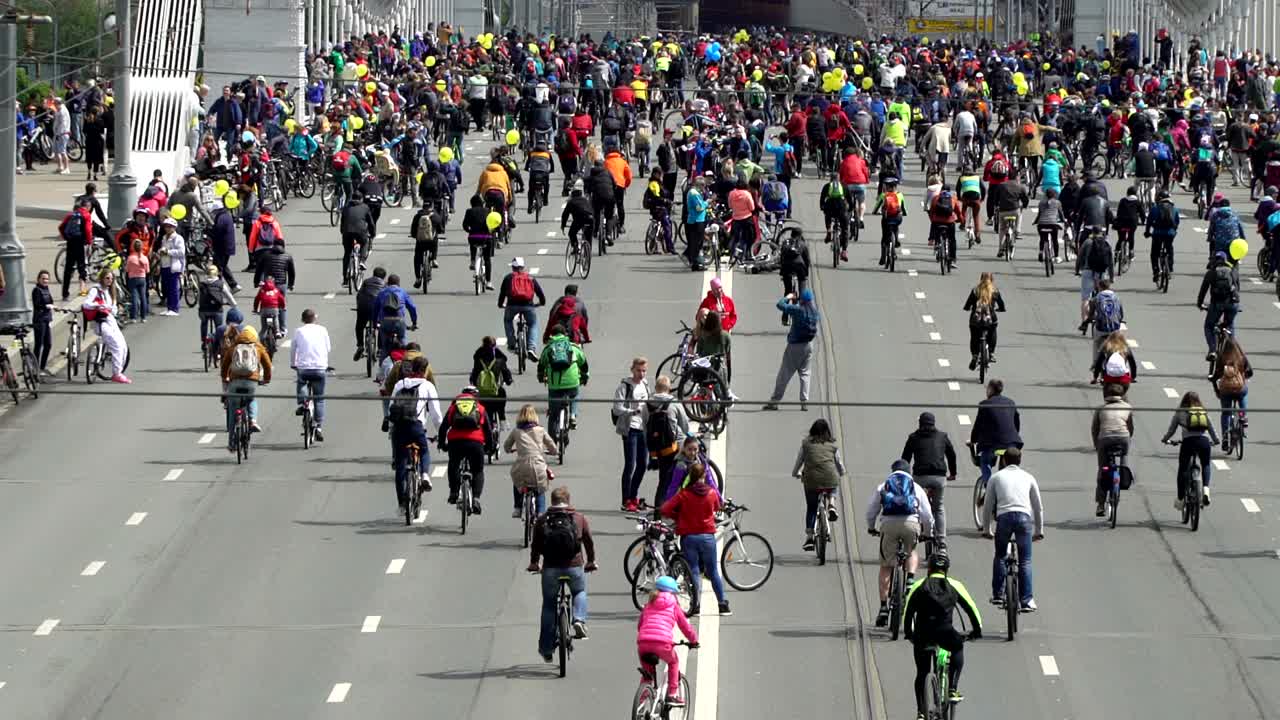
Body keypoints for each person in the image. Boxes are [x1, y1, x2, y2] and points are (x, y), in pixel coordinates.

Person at [904, 549, 982, 719]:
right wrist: (977, 631)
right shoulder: (955, 585)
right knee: (957, 646)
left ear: (929, 569)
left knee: (922, 672)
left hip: (922, 634)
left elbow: (907, 611)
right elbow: (971, 609)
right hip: (945, 633)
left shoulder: (919, 585)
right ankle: (952, 688)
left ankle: (920, 713)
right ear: (947, 569)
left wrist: (909, 634)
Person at [528, 485, 598, 661]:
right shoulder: (579, 518)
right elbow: (588, 541)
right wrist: (590, 561)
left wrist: (534, 563)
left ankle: (546, 648)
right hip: (574, 567)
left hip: (551, 568)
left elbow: (535, 545)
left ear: (552, 501)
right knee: (579, 591)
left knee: (549, 604)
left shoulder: (542, 520)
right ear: (568, 501)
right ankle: (579, 620)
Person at [866, 459, 934, 626]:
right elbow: (927, 515)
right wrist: (927, 533)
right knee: (911, 551)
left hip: (888, 525)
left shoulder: (883, 486)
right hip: (911, 524)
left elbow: (871, 511)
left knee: (886, 565)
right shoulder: (916, 487)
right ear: (909, 472)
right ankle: (910, 579)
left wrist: (871, 527)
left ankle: (883, 607)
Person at [660, 462, 731, 617]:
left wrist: (678, 517)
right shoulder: (712, 493)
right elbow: (717, 507)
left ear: (690, 476)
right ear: (704, 476)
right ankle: (722, 604)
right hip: (707, 537)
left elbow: (665, 509)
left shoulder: (684, 495)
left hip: (689, 537)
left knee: (693, 571)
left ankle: (696, 605)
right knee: (713, 571)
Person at [979, 447, 1044, 611]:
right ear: (1020, 461)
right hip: (1024, 520)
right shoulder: (1029, 477)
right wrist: (1039, 531)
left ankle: (998, 595)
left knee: (1000, 555)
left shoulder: (996, 477)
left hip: (1004, 519)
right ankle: (1027, 600)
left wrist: (986, 529)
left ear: (1004, 460)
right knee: (1025, 560)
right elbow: (1038, 508)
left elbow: (987, 507)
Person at [387, 354, 442, 514]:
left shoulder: (400, 384)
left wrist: (392, 428)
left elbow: (391, 407)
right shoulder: (427, 386)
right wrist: (441, 433)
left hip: (399, 427)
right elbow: (436, 415)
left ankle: (402, 505)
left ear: (412, 370)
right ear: (424, 371)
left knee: (400, 466)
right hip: (416, 427)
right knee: (424, 450)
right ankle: (424, 475)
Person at [636, 575, 699, 707]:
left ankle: (640, 704)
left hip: (643, 643)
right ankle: (672, 694)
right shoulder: (673, 605)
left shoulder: (648, 605)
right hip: (662, 643)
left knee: (647, 675)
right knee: (673, 662)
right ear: (672, 592)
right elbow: (685, 627)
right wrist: (694, 640)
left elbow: (640, 625)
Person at [900, 412, 958, 540]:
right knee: (938, 507)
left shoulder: (913, 437)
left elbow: (905, 460)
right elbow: (952, 455)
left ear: (920, 423)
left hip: (920, 477)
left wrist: (904, 476)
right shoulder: (942, 436)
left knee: (917, 505)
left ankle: (916, 534)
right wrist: (953, 473)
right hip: (939, 477)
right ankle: (942, 542)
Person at [438, 385, 494, 512]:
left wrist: (442, 444)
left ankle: (453, 492)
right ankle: (475, 499)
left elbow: (443, 427)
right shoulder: (480, 408)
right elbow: (488, 431)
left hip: (455, 442)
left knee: (453, 465)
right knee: (478, 470)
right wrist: (489, 448)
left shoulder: (454, 406)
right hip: (476, 443)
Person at [792, 418, 846, 551]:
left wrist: (795, 473)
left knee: (811, 508)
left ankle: (810, 538)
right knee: (833, 483)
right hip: (829, 478)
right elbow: (838, 463)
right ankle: (831, 504)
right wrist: (842, 472)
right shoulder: (832, 445)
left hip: (811, 480)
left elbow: (800, 460)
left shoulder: (806, 444)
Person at [763, 288, 819, 411]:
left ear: (802, 300)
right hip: (809, 345)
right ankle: (804, 402)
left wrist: (788, 297)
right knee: (805, 374)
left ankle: (775, 401)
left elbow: (780, 305)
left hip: (795, 347)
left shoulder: (798, 310)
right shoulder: (814, 312)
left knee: (785, 374)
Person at [1160, 392, 1219, 510]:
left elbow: (1172, 430)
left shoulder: (1180, 412)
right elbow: (1211, 427)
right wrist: (1216, 440)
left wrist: (1166, 439)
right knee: (1206, 464)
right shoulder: (1202, 411)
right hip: (1204, 442)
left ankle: (1181, 498)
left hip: (1188, 443)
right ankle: (1206, 489)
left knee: (1182, 469)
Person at [220, 323, 271, 447]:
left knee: (233, 410)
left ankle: (232, 442)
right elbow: (267, 365)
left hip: (235, 381)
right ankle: (252, 421)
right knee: (251, 399)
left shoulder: (233, 347)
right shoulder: (258, 347)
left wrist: (225, 378)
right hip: (251, 381)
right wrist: (266, 379)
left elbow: (224, 365)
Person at [645, 375, 690, 512]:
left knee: (663, 481)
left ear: (656, 388)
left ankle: (658, 513)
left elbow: (644, 426)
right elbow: (685, 424)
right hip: (674, 447)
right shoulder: (674, 403)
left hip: (657, 448)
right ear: (669, 389)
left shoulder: (647, 404)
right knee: (681, 477)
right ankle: (679, 509)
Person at [505, 404, 559, 518]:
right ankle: (540, 512)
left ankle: (518, 508)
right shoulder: (540, 430)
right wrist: (554, 452)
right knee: (540, 488)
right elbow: (553, 447)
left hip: (521, 466)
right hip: (538, 465)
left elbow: (506, 446)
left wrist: (510, 449)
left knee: (517, 483)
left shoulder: (516, 431)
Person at [538, 323, 589, 440]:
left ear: (552, 335)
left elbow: (541, 365)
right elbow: (584, 364)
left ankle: (553, 443)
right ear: (565, 334)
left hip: (555, 385)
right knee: (575, 394)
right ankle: (572, 415)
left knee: (553, 415)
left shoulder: (548, 348)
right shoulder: (573, 347)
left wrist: (541, 377)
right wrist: (585, 376)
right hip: (572, 382)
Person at [614, 357, 651, 512]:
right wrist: (632, 411)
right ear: (632, 369)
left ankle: (633, 496)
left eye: (644, 371)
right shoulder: (625, 387)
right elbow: (617, 408)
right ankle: (626, 500)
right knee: (630, 465)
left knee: (643, 465)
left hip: (644, 428)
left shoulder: (646, 385)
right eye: (638, 370)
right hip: (630, 429)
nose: (641, 374)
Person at [1091, 383, 1134, 516]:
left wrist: (1096, 445)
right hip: (1123, 438)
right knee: (1124, 457)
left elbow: (1094, 429)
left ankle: (1100, 504)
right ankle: (1124, 474)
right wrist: (1127, 439)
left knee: (1103, 469)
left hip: (1105, 439)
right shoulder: (1128, 407)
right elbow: (1130, 427)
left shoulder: (1100, 408)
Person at [969, 379, 1022, 487]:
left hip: (992, 445)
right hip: (1011, 443)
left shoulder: (984, 404)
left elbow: (978, 426)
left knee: (985, 461)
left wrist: (973, 441)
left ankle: (989, 487)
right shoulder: (1011, 402)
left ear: (990, 389)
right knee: (1007, 468)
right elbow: (1016, 423)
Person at [82, 268, 130, 383]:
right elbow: (86, 304)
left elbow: (113, 310)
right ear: (102, 278)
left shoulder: (110, 291)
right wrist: (97, 305)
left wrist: (114, 309)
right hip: (101, 321)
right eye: (107, 278)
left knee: (123, 346)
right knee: (116, 346)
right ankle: (116, 373)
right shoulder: (95, 290)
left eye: (111, 278)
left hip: (110, 320)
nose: (109, 280)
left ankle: (119, 371)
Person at [291, 308, 331, 442]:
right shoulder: (323, 330)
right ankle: (318, 426)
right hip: (320, 367)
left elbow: (293, 349)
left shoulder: (299, 331)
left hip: (304, 367)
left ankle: (303, 404)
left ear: (303, 319)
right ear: (315, 318)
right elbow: (328, 348)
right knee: (319, 398)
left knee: (301, 382)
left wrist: (293, 364)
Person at [499, 257, 546, 361]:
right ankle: (531, 348)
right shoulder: (530, 278)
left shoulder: (508, 278)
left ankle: (512, 344)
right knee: (533, 324)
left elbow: (502, 294)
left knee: (507, 320)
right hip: (528, 306)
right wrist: (541, 303)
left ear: (513, 267)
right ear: (523, 267)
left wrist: (500, 304)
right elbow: (540, 293)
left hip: (512, 306)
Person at [1210, 334, 1252, 444]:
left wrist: (1216, 388)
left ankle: (1225, 437)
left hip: (1225, 391)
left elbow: (1215, 376)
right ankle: (1243, 416)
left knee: (1226, 413)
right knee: (1243, 393)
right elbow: (1250, 372)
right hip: (1239, 388)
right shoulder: (1241, 357)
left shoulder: (1222, 358)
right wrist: (1243, 377)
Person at [1197, 251, 1239, 359]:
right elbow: (1237, 288)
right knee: (1229, 325)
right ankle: (1231, 351)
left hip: (1217, 304)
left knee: (1209, 326)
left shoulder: (1211, 273)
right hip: (1232, 304)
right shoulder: (1233, 271)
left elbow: (1203, 291)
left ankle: (1212, 350)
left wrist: (1200, 304)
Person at [471, 335, 514, 435]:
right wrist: (509, 381)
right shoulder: (499, 361)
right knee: (502, 392)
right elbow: (507, 377)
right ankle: (502, 418)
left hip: (481, 396)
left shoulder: (478, 360)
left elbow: (473, 377)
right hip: (495, 396)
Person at [962, 272, 1005, 370]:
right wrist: (1001, 309)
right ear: (992, 280)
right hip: (990, 320)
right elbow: (1001, 304)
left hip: (975, 320)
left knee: (974, 337)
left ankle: (975, 356)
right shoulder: (995, 291)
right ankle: (991, 353)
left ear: (980, 279)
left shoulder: (975, 290)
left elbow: (967, 305)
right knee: (993, 332)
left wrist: (967, 308)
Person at [1145, 188, 1179, 283]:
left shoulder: (1155, 208)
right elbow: (1176, 222)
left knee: (1154, 253)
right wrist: (1174, 231)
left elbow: (1149, 222)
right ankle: (1170, 269)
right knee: (1169, 250)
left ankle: (1156, 271)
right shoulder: (1174, 208)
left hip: (1157, 234)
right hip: (1169, 234)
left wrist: (1147, 232)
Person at [340, 191, 375, 284]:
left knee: (347, 253)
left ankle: (345, 278)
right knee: (364, 243)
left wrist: (342, 231)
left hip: (347, 232)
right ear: (361, 198)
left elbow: (342, 221)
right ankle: (362, 262)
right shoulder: (365, 207)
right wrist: (372, 234)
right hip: (361, 232)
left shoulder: (346, 207)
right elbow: (371, 223)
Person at [352, 267, 387, 361]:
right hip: (378, 309)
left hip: (364, 307)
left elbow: (359, 295)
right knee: (381, 326)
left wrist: (359, 307)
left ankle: (360, 345)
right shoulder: (385, 285)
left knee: (359, 326)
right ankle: (380, 349)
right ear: (384, 277)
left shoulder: (366, 281)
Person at [196, 265, 236, 346]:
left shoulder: (202, 284)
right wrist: (233, 305)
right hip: (217, 310)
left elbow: (199, 298)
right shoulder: (220, 284)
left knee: (204, 323)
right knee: (219, 327)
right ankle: (219, 343)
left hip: (204, 310)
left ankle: (204, 341)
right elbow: (228, 296)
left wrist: (200, 307)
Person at [1084, 278, 1124, 354]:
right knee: (1119, 344)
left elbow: (1090, 315)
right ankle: (1120, 357)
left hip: (1101, 328)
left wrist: (1087, 321)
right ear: (1109, 287)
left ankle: (1096, 361)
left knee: (1096, 343)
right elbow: (1121, 315)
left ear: (1099, 287)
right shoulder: (1117, 298)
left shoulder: (1096, 298)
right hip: (1114, 328)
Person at [157, 217, 186, 316]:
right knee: (167, 288)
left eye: (170, 227)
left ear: (174, 227)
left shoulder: (178, 238)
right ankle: (169, 308)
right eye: (166, 226)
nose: (167, 228)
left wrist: (168, 252)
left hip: (174, 266)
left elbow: (181, 252)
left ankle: (175, 308)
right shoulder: (164, 238)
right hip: (164, 265)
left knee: (173, 288)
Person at [30, 270, 55, 374]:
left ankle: (42, 367)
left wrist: (53, 307)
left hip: (46, 319)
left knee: (48, 344)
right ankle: (35, 368)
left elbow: (50, 301)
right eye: (43, 278)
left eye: (47, 279)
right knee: (39, 344)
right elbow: (37, 304)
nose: (45, 280)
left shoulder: (46, 289)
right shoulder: (36, 290)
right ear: (38, 279)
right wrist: (46, 306)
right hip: (39, 320)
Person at [124, 239, 150, 322]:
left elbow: (127, 270)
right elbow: (147, 270)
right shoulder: (145, 258)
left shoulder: (130, 258)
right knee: (143, 297)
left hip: (133, 278)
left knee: (134, 298)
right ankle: (143, 317)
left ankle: (133, 317)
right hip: (142, 278)